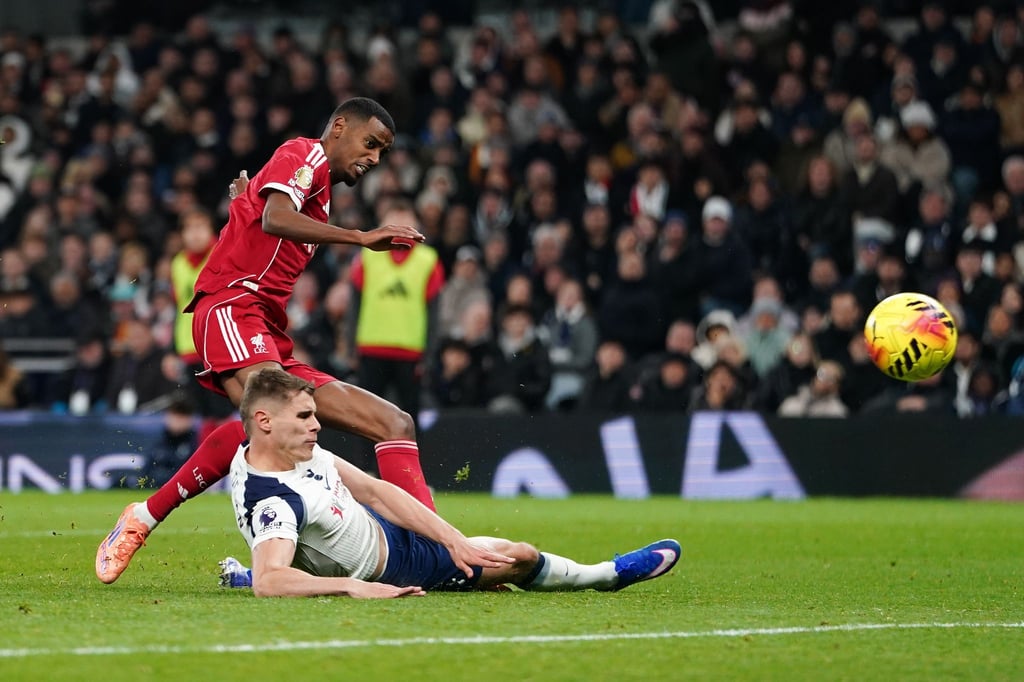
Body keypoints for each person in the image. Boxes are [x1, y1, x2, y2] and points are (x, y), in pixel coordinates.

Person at [96, 97, 431, 584]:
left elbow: (261, 220)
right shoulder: (305, 153)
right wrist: (361, 238)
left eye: (382, 151)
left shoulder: (316, 190)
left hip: (268, 329)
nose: (375, 158)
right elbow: (275, 218)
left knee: (393, 422)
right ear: (339, 127)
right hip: (231, 307)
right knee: (274, 423)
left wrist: (244, 199)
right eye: (371, 143)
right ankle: (145, 520)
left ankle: (435, 549)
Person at [218, 367, 681, 596]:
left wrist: (451, 537)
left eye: (314, 414)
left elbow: (376, 491)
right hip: (403, 565)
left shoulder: (285, 449)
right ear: (264, 421)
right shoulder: (274, 503)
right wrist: (352, 587)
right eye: (304, 416)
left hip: (383, 529)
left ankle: (246, 571)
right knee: (519, 555)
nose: (317, 425)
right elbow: (270, 580)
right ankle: (606, 576)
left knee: (457, 542)